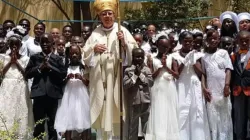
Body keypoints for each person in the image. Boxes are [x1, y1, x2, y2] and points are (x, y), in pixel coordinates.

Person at [82, 0, 137, 138]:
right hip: (99, 81)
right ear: (99, 17)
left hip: (116, 81)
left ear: (114, 15)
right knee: (101, 117)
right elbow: (84, 56)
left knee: (117, 115)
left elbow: (135, 54)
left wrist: (124, 44)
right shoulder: (95, 34)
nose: (107, 16)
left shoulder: (122, 31)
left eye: (110, 13)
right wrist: (93, 49)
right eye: (103, 14)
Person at [25, 33, 67, 140]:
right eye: (42, 42)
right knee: (39, 124)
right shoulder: (35, 57)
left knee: (52, 125)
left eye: (47, 42)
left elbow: (63, 74)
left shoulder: (57, 59)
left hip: (53, 95)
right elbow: (27, 74)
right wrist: (39, 68)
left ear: (52, 43)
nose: (44, 44)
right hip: (38, 95)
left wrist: (51, 67)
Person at [172, 31, 211, 140]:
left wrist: (193, 61)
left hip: (194, 85)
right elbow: (177, 75)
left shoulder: (198, 55)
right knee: (182, 111)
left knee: (196, 112)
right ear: (180, 42)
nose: (188, 43)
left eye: (190, 41)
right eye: (186, 41)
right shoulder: (174, 56)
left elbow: (200, 74)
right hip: (182, 85)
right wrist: (184, 61)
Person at [145, 35, 180, 140]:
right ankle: (158, 135)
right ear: (157, 46)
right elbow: (151, 77)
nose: (164, 49)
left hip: (170, 87)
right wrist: (160, 68)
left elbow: (177, 75)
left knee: (170, 109)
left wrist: (166, 67)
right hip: (158, 87)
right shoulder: (152, 59)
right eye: (162, 46)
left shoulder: (172, 58)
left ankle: (169, 135)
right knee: (158, 110)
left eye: (166, 47)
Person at [0, 30, 33, 139]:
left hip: (20, 87)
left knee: (20, 111)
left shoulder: (26, 58)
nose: (14, 47)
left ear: (20, 45)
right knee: (6, 110)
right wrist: (10, 62)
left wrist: (17, 62)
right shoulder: (2, 57)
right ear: (8, 45)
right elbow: (2, 73)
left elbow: (26, 74)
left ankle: (20, 135)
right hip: (7, 87)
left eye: (16, 45)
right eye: (12, 44)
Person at [201, 29, 233, 140]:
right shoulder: (204, 57)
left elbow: (228, 69)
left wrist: (227, 85)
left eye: (216, 38)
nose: (213, 41)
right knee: (213, 118)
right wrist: (204, 88)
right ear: (207, 41)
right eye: (211, 39)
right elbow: (203, 74)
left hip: (223, 89)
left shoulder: (223, 53)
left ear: (219, 39)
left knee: (224, 117)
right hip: (211, 91)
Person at [54, 45, 90, 140]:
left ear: (79, 55)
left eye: (76, 53)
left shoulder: (83, 67)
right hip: (68, 96)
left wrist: (81, 78)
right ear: (68, 55)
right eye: (72, 53)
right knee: (68, 120)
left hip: (81, 97)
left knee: (84, 120)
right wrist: (67, 78)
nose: (74, 55)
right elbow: (61, 83)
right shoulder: (66, 67)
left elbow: (88, 83)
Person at [123, 48, 153, 140]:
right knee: (133, 125)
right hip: (134, 101)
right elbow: (125, 85)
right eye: (137, 56)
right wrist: (135, 76)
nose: (139, 58)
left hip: (146, 100)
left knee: (146, 125)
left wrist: (140, 74)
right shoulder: (128, 70)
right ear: (133, 57)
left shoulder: (147, 69)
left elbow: (151, 82)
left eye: (141, 57)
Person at [231, 31, 250, 140]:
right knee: (239, 117)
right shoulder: (234, 56)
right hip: (238, 91)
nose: (244, 42)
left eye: (247, 40)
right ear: (237, 41)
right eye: (241, 40)